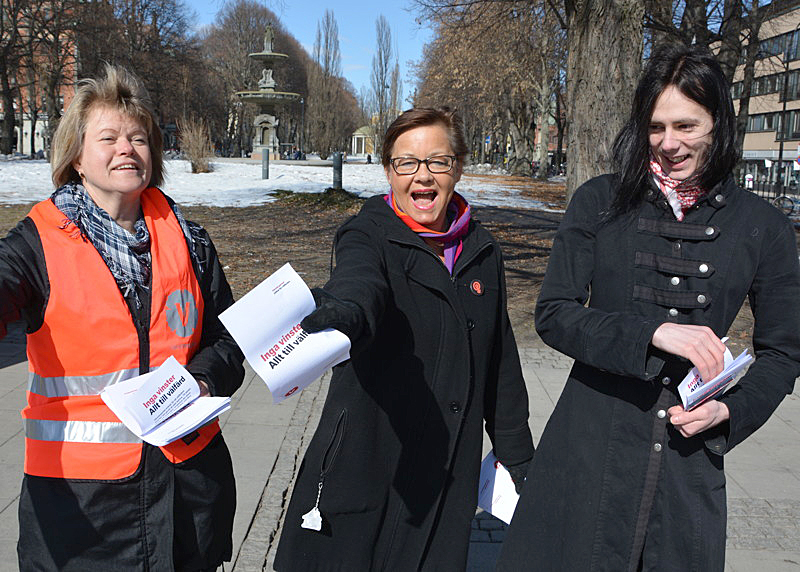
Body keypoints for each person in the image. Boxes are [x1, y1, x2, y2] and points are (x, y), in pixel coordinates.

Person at [497, 43, 800, 571]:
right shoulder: (600, 201)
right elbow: (555, 313)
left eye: (686, 126)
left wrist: (730, 411)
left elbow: (783, 352)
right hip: (590, 445)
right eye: (656, 127)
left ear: (719, 124)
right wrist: (651, 334)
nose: (668, 143)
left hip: (688, 459)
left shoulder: (763, 225)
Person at [2, 64, 244, 570]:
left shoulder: (191, 240)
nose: (127, 149)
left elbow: (227, 338)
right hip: (83, 514)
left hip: (187, 500)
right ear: (76, 156)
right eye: (108, 138)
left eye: (138, 138)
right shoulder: (36, 244)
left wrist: (203, 379)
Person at [273, 107, 534, 571]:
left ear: (458, 167)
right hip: (367, 457)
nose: (423, 175)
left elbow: (499, 360)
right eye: (407, 162)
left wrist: (517, 455)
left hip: (446, 468)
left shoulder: (482, 250)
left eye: (438, 161)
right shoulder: (367, 233)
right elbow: (359, 281)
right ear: (389, 171)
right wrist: (348, 310)